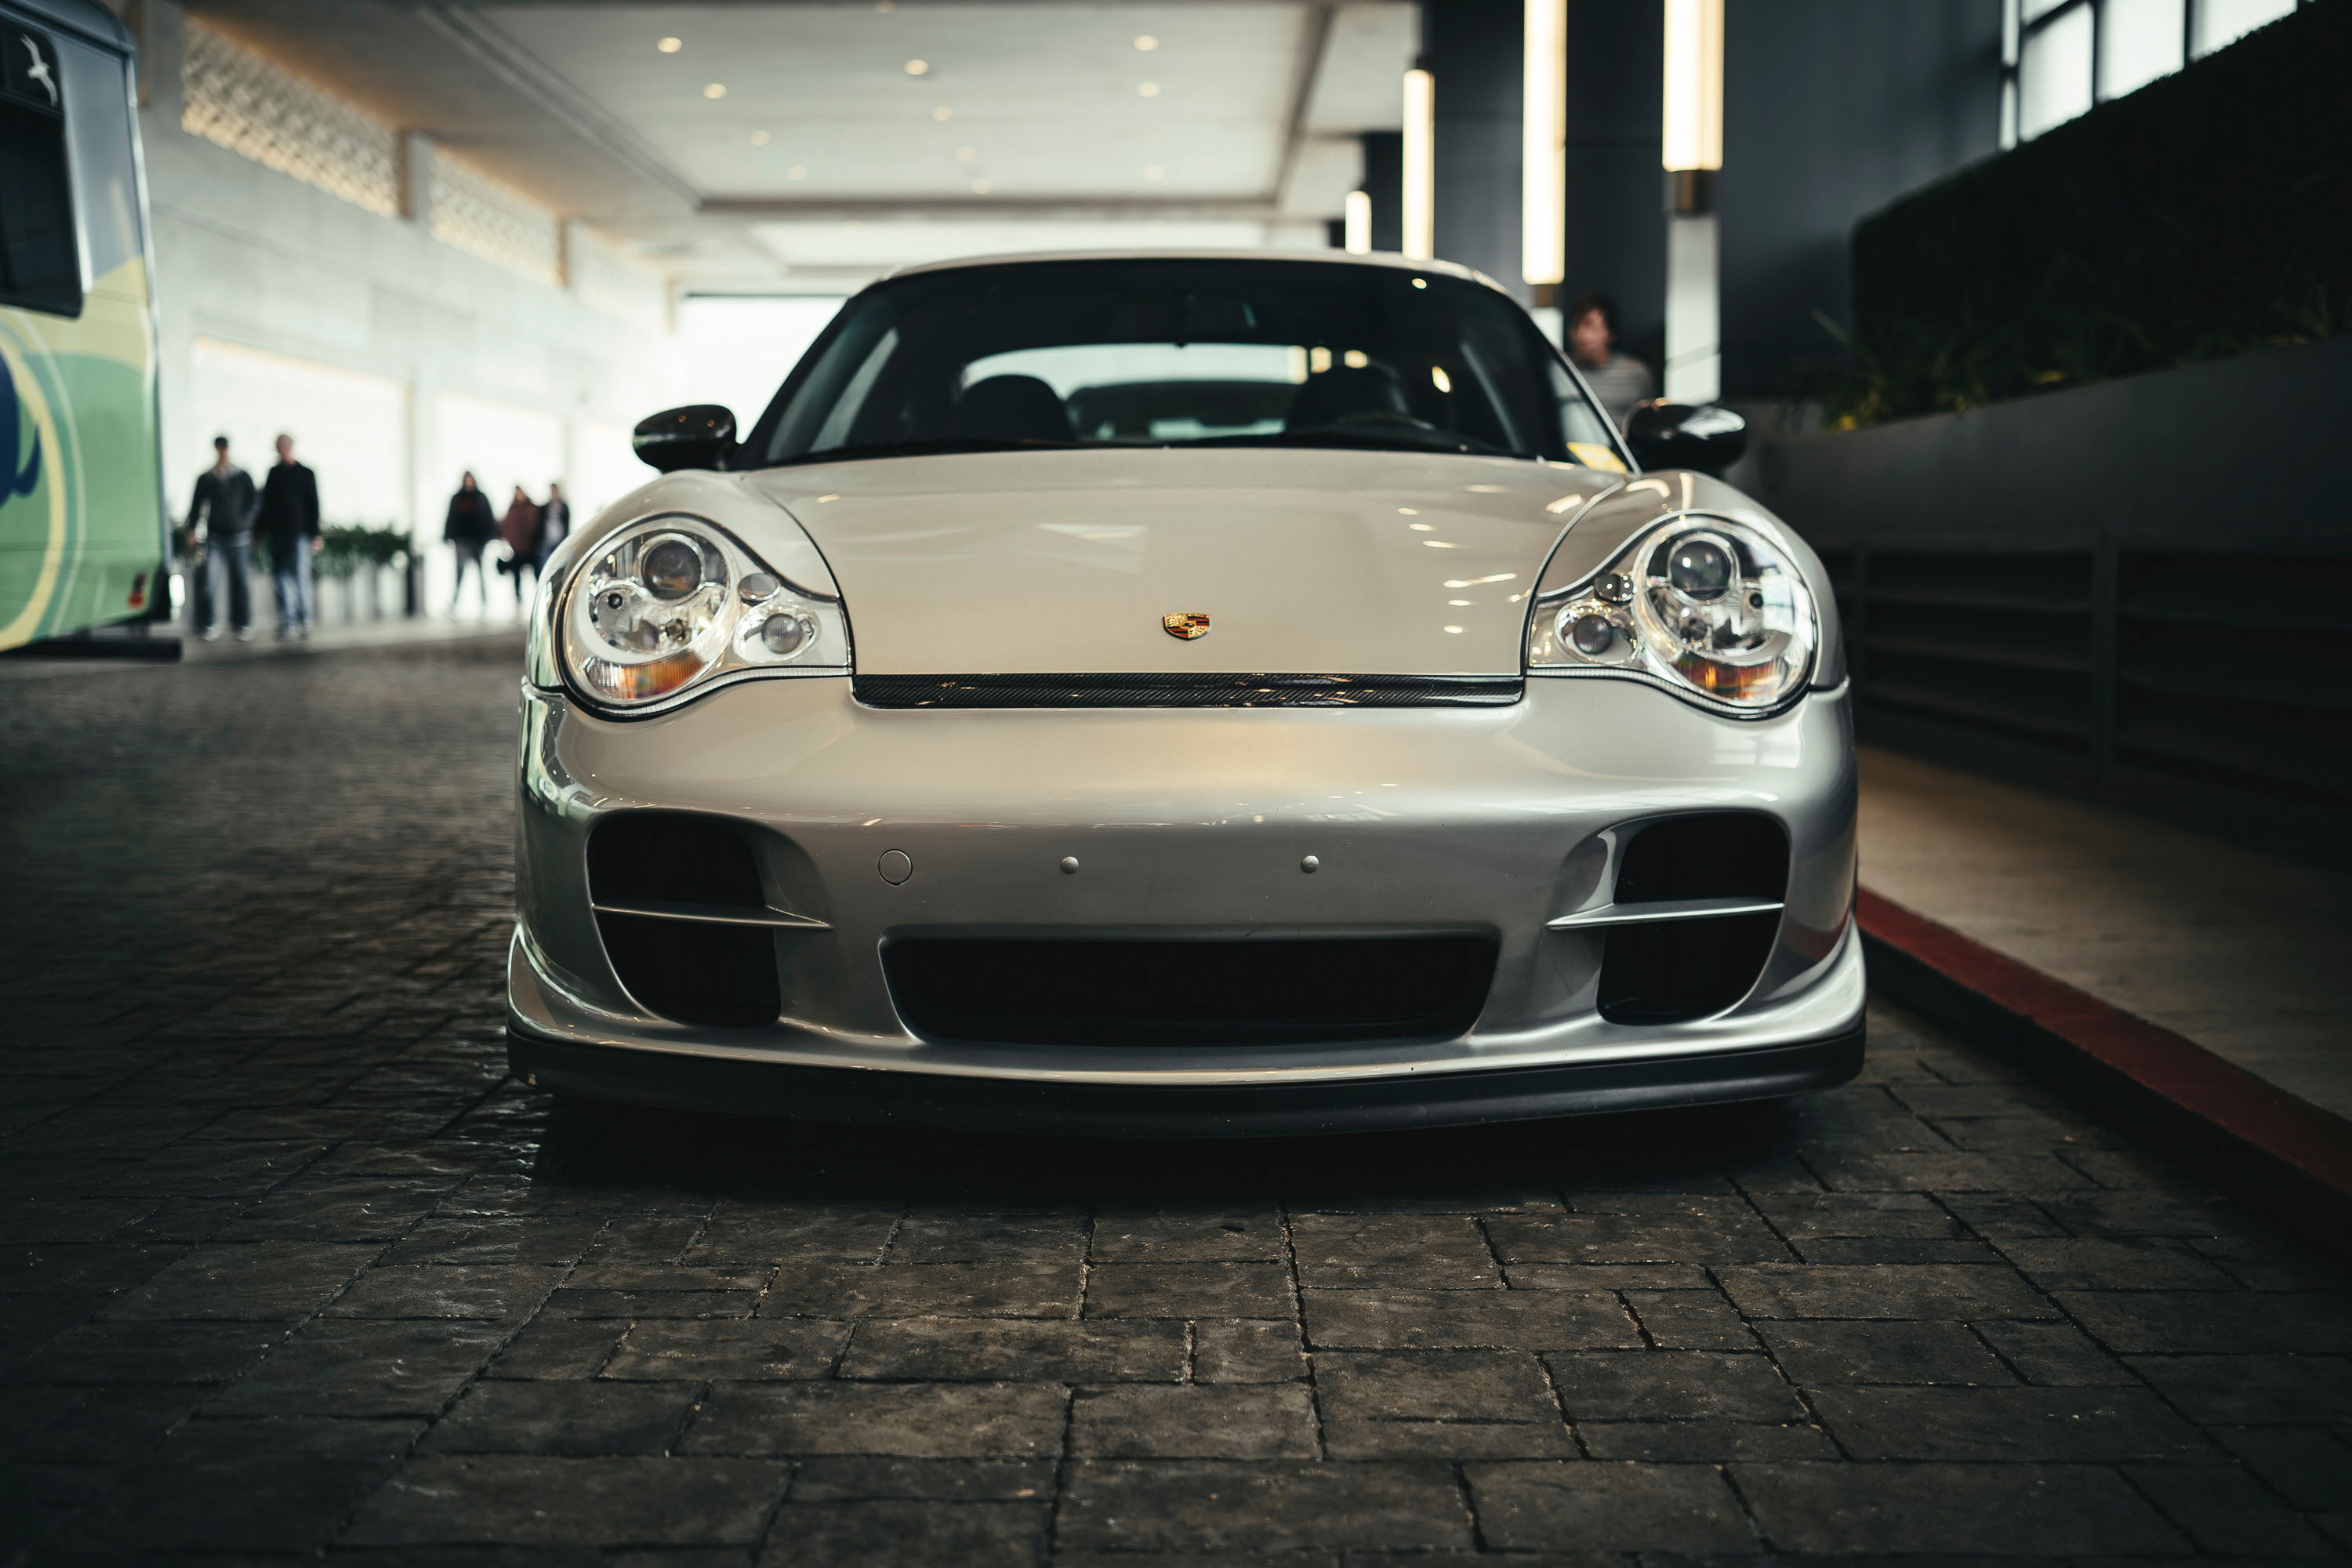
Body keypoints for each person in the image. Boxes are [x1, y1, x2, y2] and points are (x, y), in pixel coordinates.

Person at [185, 436, 258, 641]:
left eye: (225, 448)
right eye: (219, 449)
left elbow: (254, 502)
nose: (222, 452)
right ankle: (209, 623)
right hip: (215, 539)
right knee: (210, 582)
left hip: (240, 538)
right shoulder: (207, 478)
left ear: (229, 449)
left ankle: (242, 624)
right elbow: (196, 505)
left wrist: (246, 522)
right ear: (215, 450)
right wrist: (192, 530)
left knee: (241, 583)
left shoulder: (242, 476)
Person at [258, 433, 321, 640]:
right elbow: (266, 505)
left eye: (283, 447)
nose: (281, 450)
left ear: (289, 447)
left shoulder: (306, 473)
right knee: (281, 579)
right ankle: (288, 621)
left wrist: (315, 534)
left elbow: (314, 505)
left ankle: (304, 620)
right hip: (277, 536)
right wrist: (259, 532)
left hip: (299, 534)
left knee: (301, 577)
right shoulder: (273, 474)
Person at [1566, 292, 1656, 428]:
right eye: (1576, 326)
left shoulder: (1636, 373)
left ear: (1610, 333)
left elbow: (1648, 423)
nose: (1581, 335)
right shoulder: (1562, 371)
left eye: (1591, 327)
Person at [443, 472, 497, 617]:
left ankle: (485, 603)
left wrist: (490, 537)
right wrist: (448, 536)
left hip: (478, 542)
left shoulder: (481, 498)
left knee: (482, 573)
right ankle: (454, 603)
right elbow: (450, 517)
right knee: (459, 573)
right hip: (462, 541)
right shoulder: (457, 498)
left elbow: (489, 518)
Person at [496, 484, 539, 608]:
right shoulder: (513, 509)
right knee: (517, 576)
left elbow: (534, 526)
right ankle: (518, 598)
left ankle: (537, 596)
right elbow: (507, 526)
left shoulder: (532, 508)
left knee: (536, 574)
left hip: (530, 547)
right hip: (517, 548)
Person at [533, 481, 570, 572]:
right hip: (547, 542)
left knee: (559, 566)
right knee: (544, 568)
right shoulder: (545, 508)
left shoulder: (563, 507)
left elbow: (567, 524)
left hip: (559, 541)